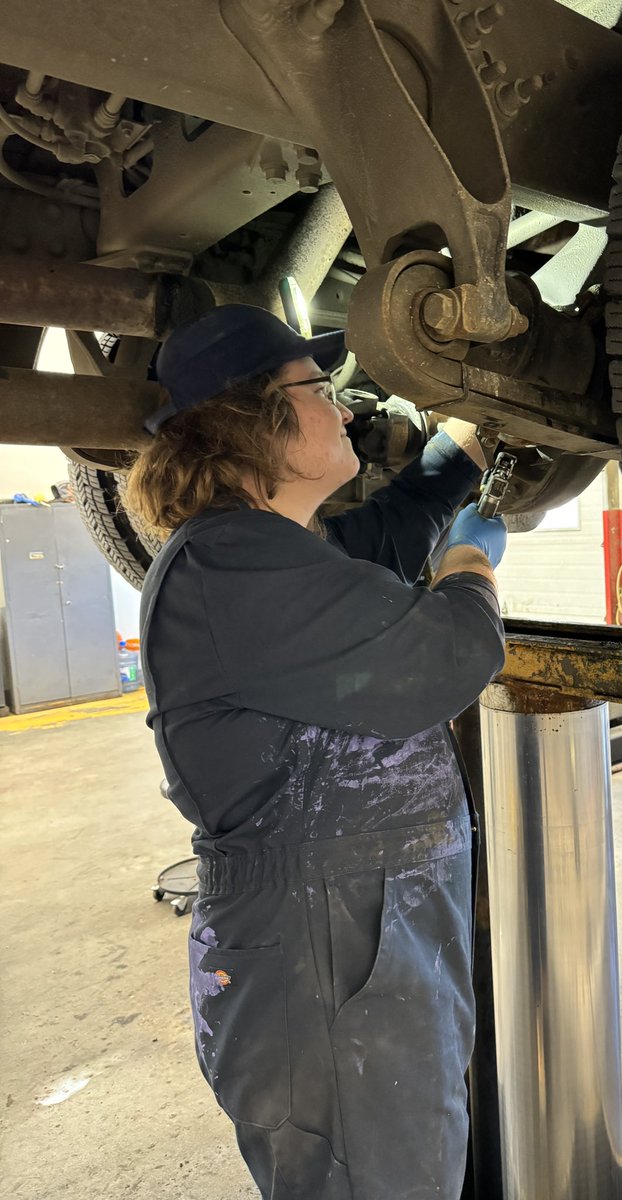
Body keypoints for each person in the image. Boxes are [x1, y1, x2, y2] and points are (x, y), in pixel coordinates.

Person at [125, 304, 507, 1200]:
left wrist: (471, 443)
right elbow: (441, 658)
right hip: (324, 978)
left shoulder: (274, 550)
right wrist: (471, 571)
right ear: (252, 418)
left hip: (363, 954)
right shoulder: (227, 568)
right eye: (319, 390)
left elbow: (391, 527)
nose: (342, 410)